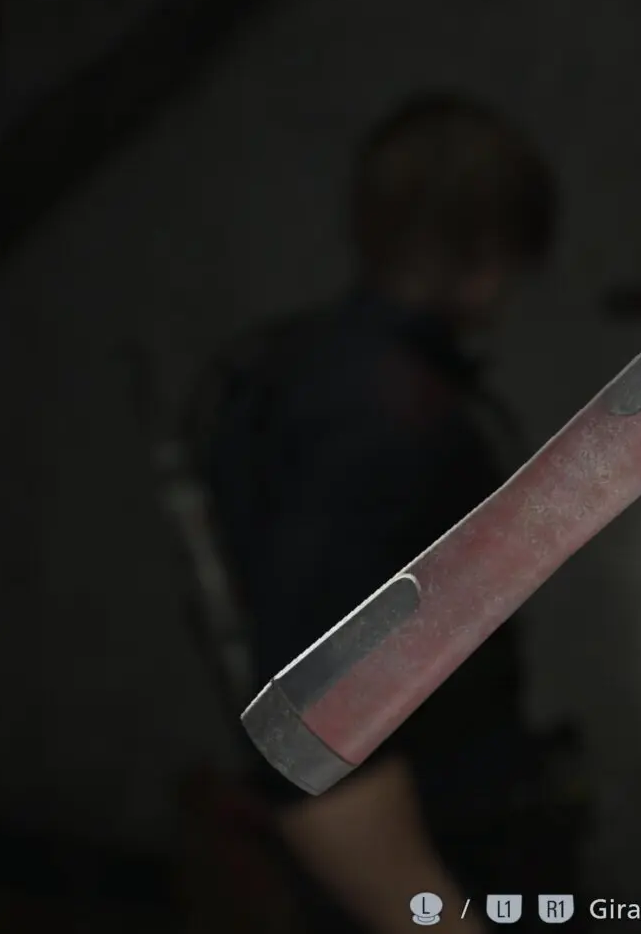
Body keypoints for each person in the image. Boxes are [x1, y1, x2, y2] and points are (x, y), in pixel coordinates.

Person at [199, 93, 572, 934]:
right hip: (413, 853)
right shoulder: (390, 417)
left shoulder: (289, 371)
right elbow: (318, 734)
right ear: (490, 257)